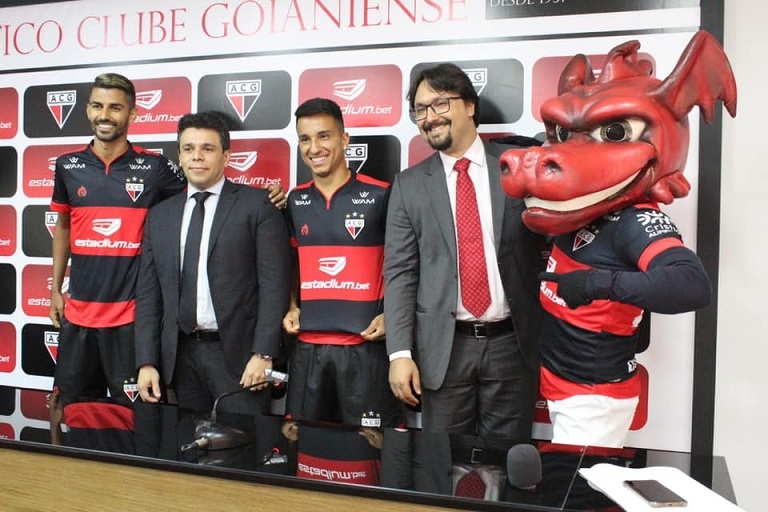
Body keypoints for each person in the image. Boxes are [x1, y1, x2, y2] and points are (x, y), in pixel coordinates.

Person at [384, 63, 543, 440]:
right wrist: (400, 354)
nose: (430, 117)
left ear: (470, 105)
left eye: (440, 104)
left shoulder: (516, 167)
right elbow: (400, 274)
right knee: (442, 461)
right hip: (444, 350)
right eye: (420, 110)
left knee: (506, 461)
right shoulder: (408, 186)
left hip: (512, 345)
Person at [134, 111, 291, 415]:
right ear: (179, 156)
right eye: (189, 149)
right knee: (186, 441)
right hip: (180, 359)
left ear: (226, 156)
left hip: (240, 360)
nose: (197, 157)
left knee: (242, 441)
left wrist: (264, 353)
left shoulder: (259, 206)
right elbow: (149, 295)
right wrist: (147, 361)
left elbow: (275, 287)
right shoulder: (160, 216)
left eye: (208, 148)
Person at [49, 73, 187, 414]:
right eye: (97, 106)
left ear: (132, 114)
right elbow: (63, 227)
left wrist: (264, 197)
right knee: (72, 415)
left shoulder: (155, 167)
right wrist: (55, 289)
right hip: (78, 316)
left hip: (131, 320)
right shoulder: (68, 165)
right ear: (87, 110)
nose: (104, 115)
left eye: (115, 107)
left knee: (137, 422)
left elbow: (205, 191)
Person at [282, 97, 397, 427]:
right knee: (305, 446)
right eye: (305, 139)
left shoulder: (382, 194)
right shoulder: (294, 199)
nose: (314, 148)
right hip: (308, 351)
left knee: (370, 449)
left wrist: (391, 315)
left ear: (344, 139)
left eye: (324, 136)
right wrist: (292, 306)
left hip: (365, 350)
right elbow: (290, 263)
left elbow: (405, 265)